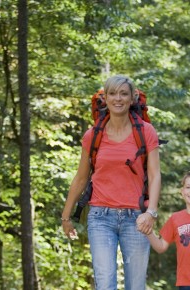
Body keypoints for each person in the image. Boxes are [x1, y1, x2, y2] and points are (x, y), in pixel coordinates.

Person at [61, 75, 162, 290]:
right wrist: (66, 216)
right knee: (105, 283)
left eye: (123, 93)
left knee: (135, 286)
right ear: (105, 98)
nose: (118, 98)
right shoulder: (93, 135)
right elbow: (80, 178)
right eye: (113, 94)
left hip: (137, 218)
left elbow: (154, 175)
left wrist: (151, 212)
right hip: (100, 217)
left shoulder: (145, 131)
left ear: (133, 98)